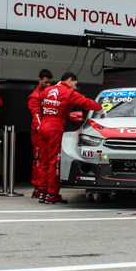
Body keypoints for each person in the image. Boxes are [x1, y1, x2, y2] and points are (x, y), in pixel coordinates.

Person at [37, 71, 101, 204]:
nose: (75, 88)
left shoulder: (47, 90)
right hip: (54, 127)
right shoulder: (68, 93)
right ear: (70, 80)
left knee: (43, 160)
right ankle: (52, 194)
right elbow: (85, 102)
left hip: (43, 125)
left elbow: (41, 100)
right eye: (75, 84)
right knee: (54, 161)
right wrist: (99, 108)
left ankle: (42, 192)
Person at [26, 68, 54, 199]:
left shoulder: (51, 93)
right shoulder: (34, 96)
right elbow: (35, 114)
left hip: (48, 130)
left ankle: (46, 185)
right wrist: (39, 128)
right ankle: (38, 187)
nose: (48, 85)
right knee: (38, 159)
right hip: (38, 132)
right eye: (46, 82)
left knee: (49, 158)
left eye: (50, 83)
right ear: (39, 80)